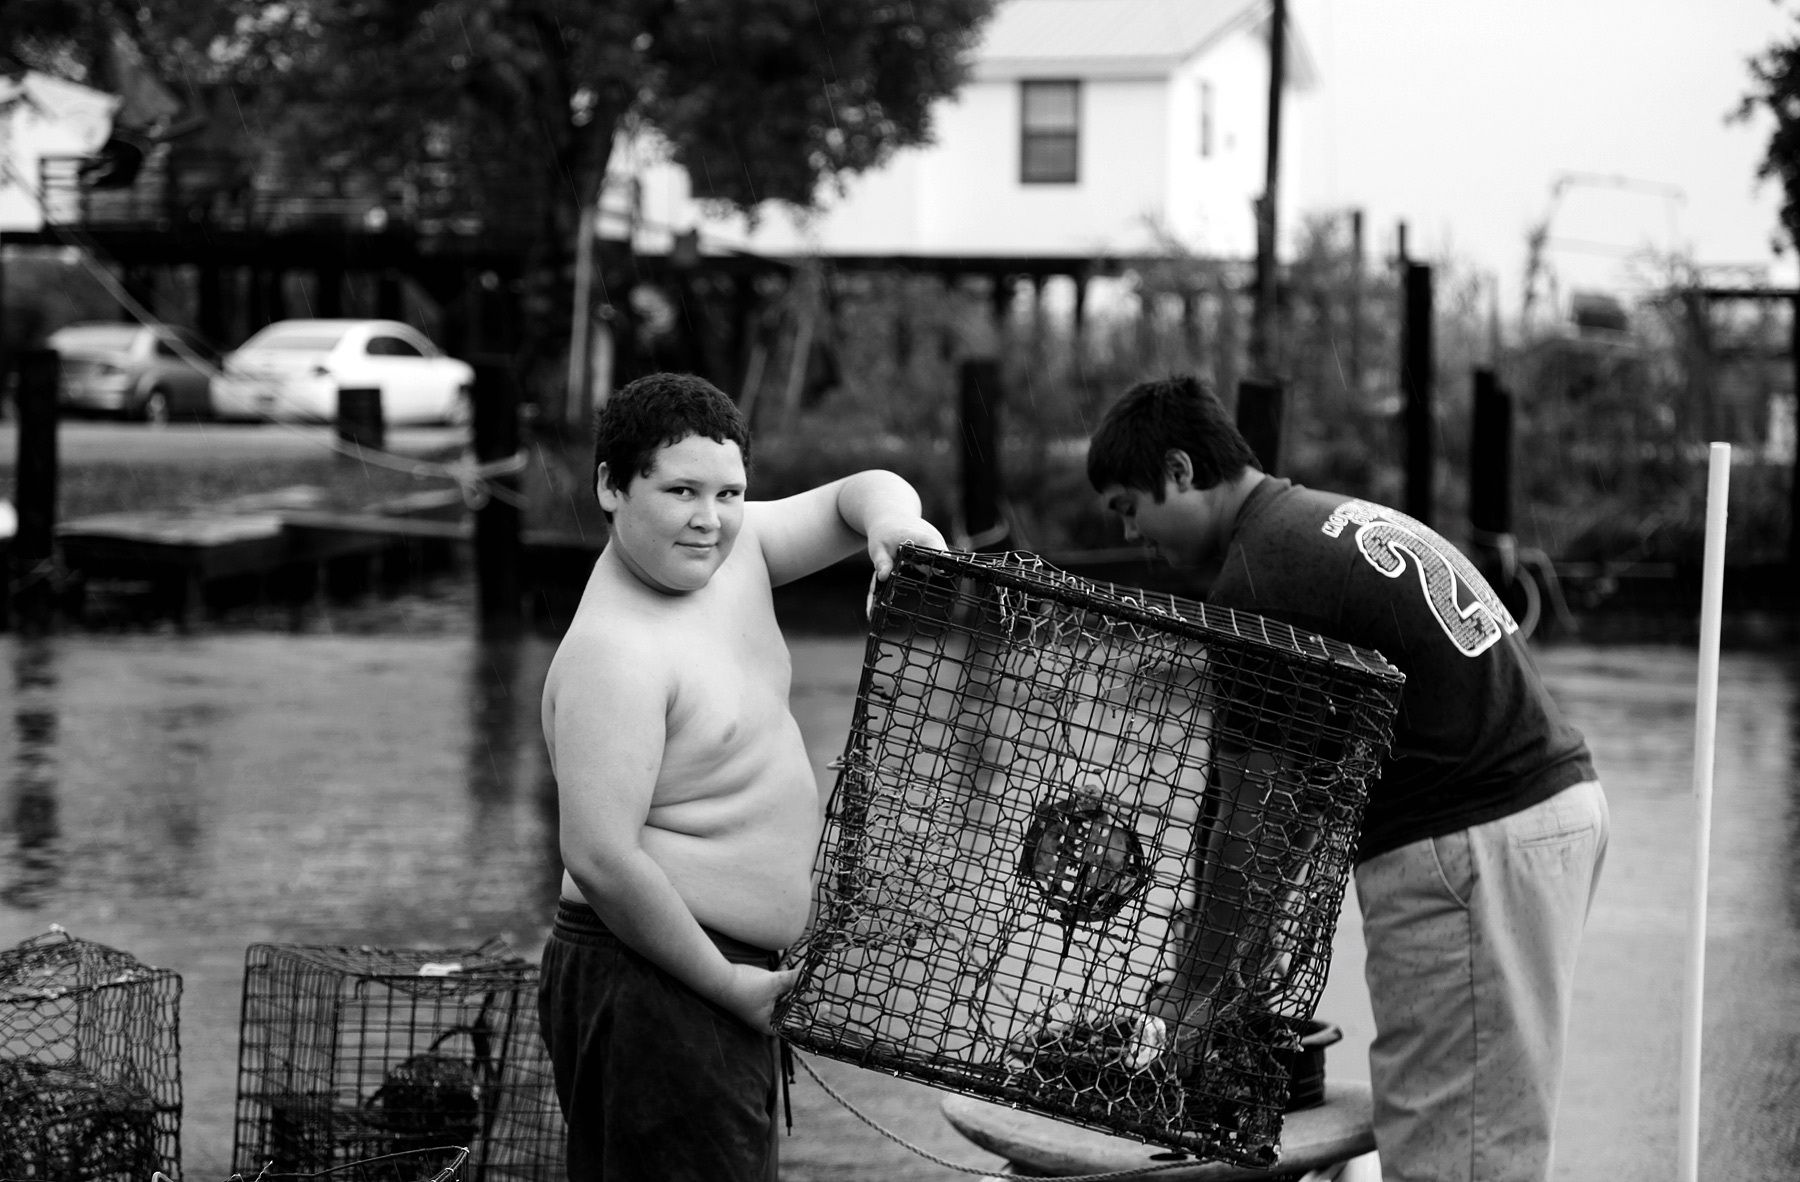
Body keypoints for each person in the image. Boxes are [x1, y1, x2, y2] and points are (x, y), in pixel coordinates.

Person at [1084, 374, 1609, 1182]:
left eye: (1129, 506)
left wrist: (1194, 1004)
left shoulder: (1260, 580)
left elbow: (1258, 824)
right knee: (1484, 1132)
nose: (1134, 533)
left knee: (1454, 1159)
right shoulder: (1316, 523)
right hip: (1546, 813)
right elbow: (1266, 798)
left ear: (1182, 472)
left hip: (1471, 845)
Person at [536, 372, 948, 1181]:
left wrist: (897, 526)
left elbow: (856, 495)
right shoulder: (615, 653)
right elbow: (600, 855)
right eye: (681, 490)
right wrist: (726, 986)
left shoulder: (734, 550)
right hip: (660, 979)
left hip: (722, 977)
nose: (709, 518)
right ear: (612, 488)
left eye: (730, 492)